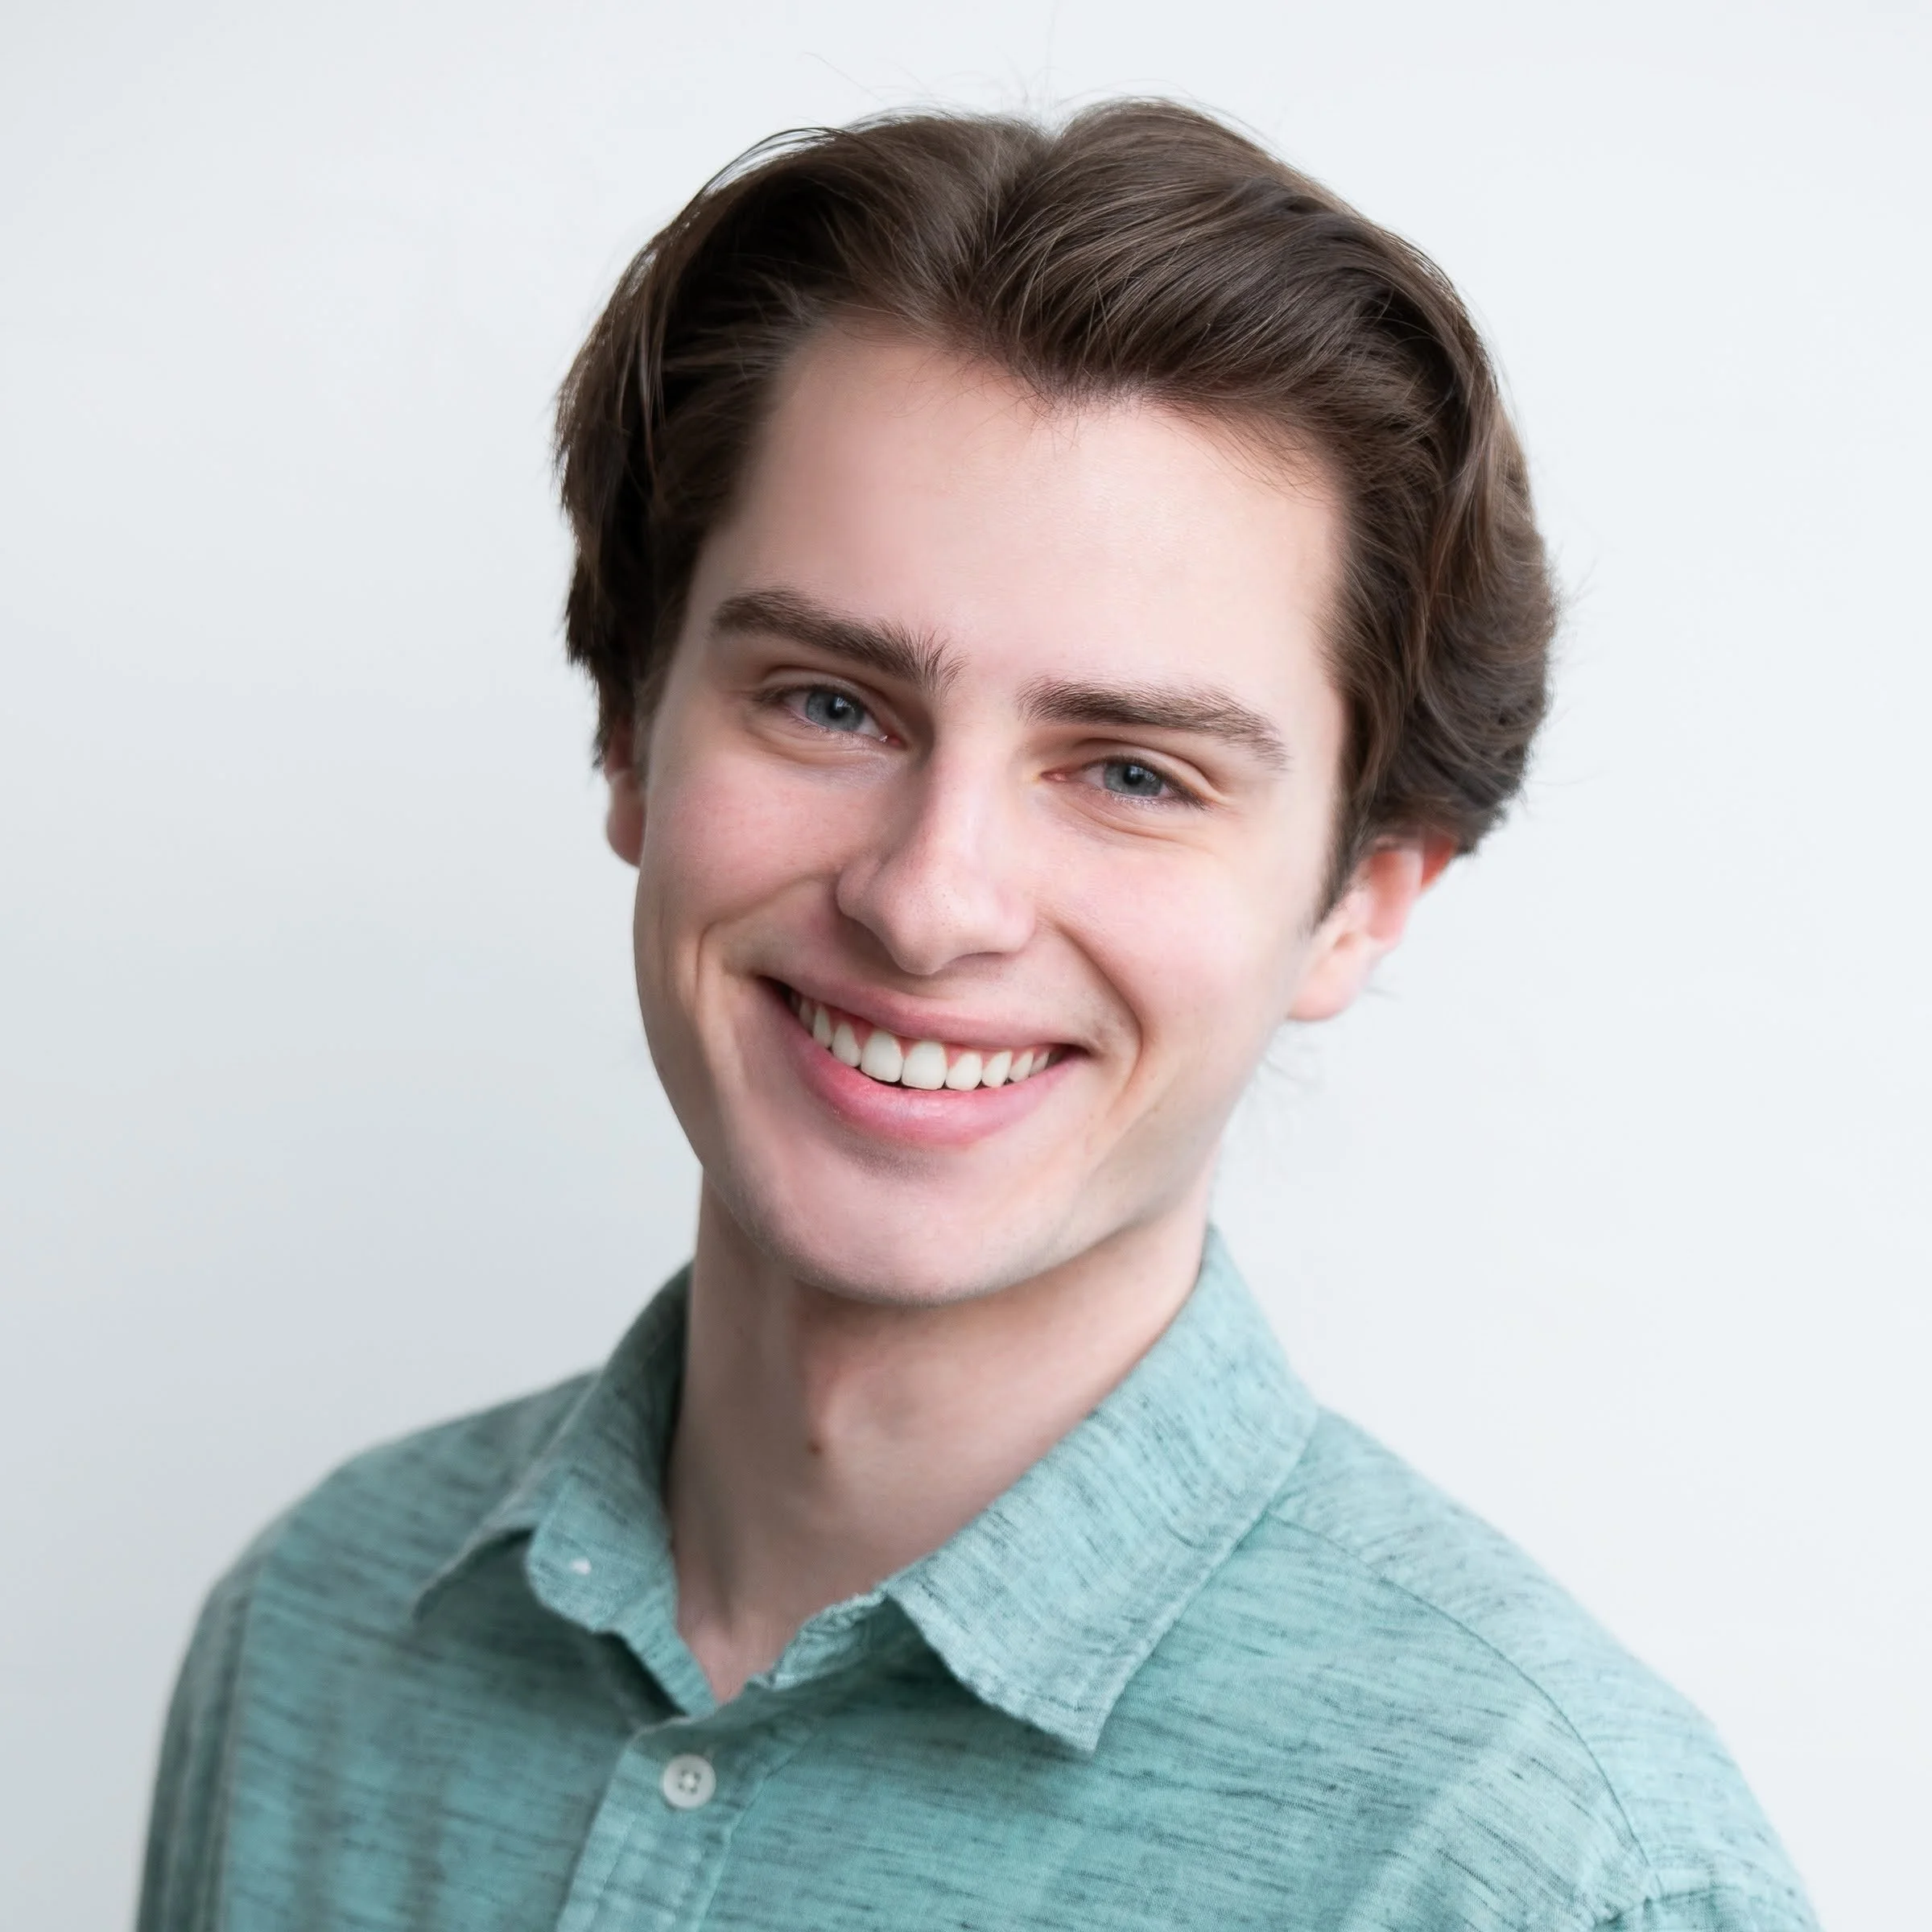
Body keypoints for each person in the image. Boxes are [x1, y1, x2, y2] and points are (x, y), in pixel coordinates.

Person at [138, 101, 1818, 1931]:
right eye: (829, 704)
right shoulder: (317, 1624)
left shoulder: (1559, 1871)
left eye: (1134, 772)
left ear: (1360, 902)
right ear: (629, 729)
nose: (930, 902)